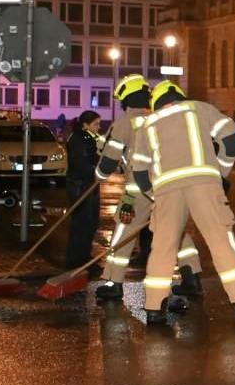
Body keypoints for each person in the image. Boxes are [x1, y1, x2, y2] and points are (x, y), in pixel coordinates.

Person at [131, 80, 235, 324]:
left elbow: (139, 173)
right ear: (180, 96)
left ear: (155, 104)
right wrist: (219, 173)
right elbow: (231, 141)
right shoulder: (199, 108)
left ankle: (154, 307)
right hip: (204, 184)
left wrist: (155, 194)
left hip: (167, 190)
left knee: (163, 248)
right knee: (221, 240)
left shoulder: (147, 125)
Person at [92, 74, 202, 300]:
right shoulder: (160, 118)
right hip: (169, 187)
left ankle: (114, 282)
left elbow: (108, 162)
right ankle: (192, 279)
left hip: (138, 192)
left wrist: (98, 175)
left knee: (124, 233)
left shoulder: (125, 123)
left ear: (125, 99)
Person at [63, 110, 102, 270]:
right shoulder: (78, 139)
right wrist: (96, 169)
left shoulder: (90, 138)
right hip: (80, 185)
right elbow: (81, 163)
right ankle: (75, 259)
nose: (99, 127)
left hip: (90, 184)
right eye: (96, 124)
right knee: (82, 222)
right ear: (85, 124)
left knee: (92, 222)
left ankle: (84, 255)